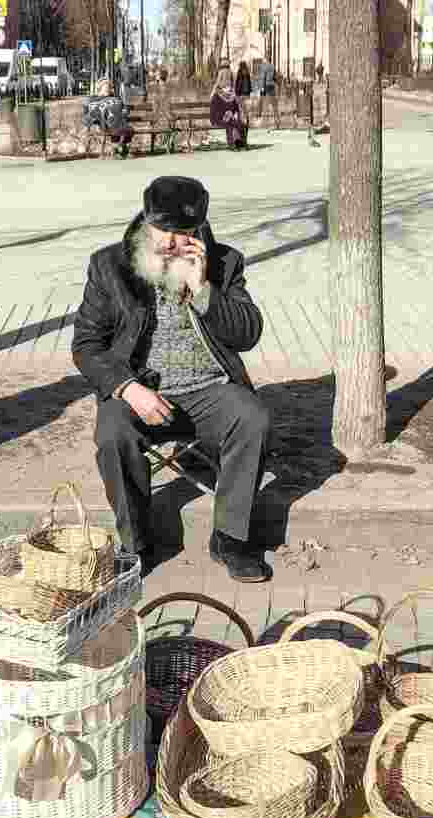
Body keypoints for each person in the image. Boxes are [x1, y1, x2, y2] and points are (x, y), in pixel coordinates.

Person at [72, 176, 271, 583]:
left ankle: (231, 538)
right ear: (146, 222)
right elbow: (87, 345)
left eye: (182, 234)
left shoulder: (225, 262)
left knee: (253, 418)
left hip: (209, 389)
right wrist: (128, 388)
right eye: (162, 231)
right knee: (113, 434)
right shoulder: (109, 266)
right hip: (139, 392)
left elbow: (248, 334)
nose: (169, 243)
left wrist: (204, 290)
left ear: (198, 232)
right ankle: (137, 542)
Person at [82, 77, 133, 158]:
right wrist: (91, 121)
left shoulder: (115, 98)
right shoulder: (93, 100)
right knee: (117, 126)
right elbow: (87, 115)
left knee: (124, 127)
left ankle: (120, 148)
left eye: (109, 88)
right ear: (99, 89)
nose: (108, 89)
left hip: (118, 121)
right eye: (105, 88)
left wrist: (124, 111)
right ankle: (118, 148)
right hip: (105, 123)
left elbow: (125, 109)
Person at [209, 67, 248, 151]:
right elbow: (214, 111)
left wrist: (235, 114)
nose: (229, 86)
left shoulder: (232, 95)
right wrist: (226, 114)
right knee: (230, 124)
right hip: (218, 118)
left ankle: (240, 142)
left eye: (229, 83)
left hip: (230, 117)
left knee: (239, 123)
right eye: (227, 85)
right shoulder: (216, 95)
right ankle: (232, 144)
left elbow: (236, 108)